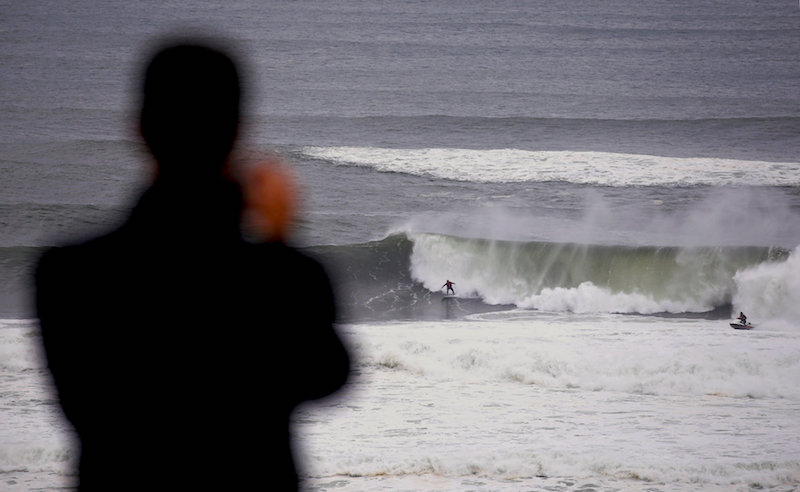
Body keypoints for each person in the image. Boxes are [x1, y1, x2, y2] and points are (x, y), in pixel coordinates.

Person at [35, 41, 350, 491]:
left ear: (140, 129)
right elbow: (326, 377)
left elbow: (83, 407)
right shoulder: (282, 277)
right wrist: (279, 241)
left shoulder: (69, 273)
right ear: (239, 133)